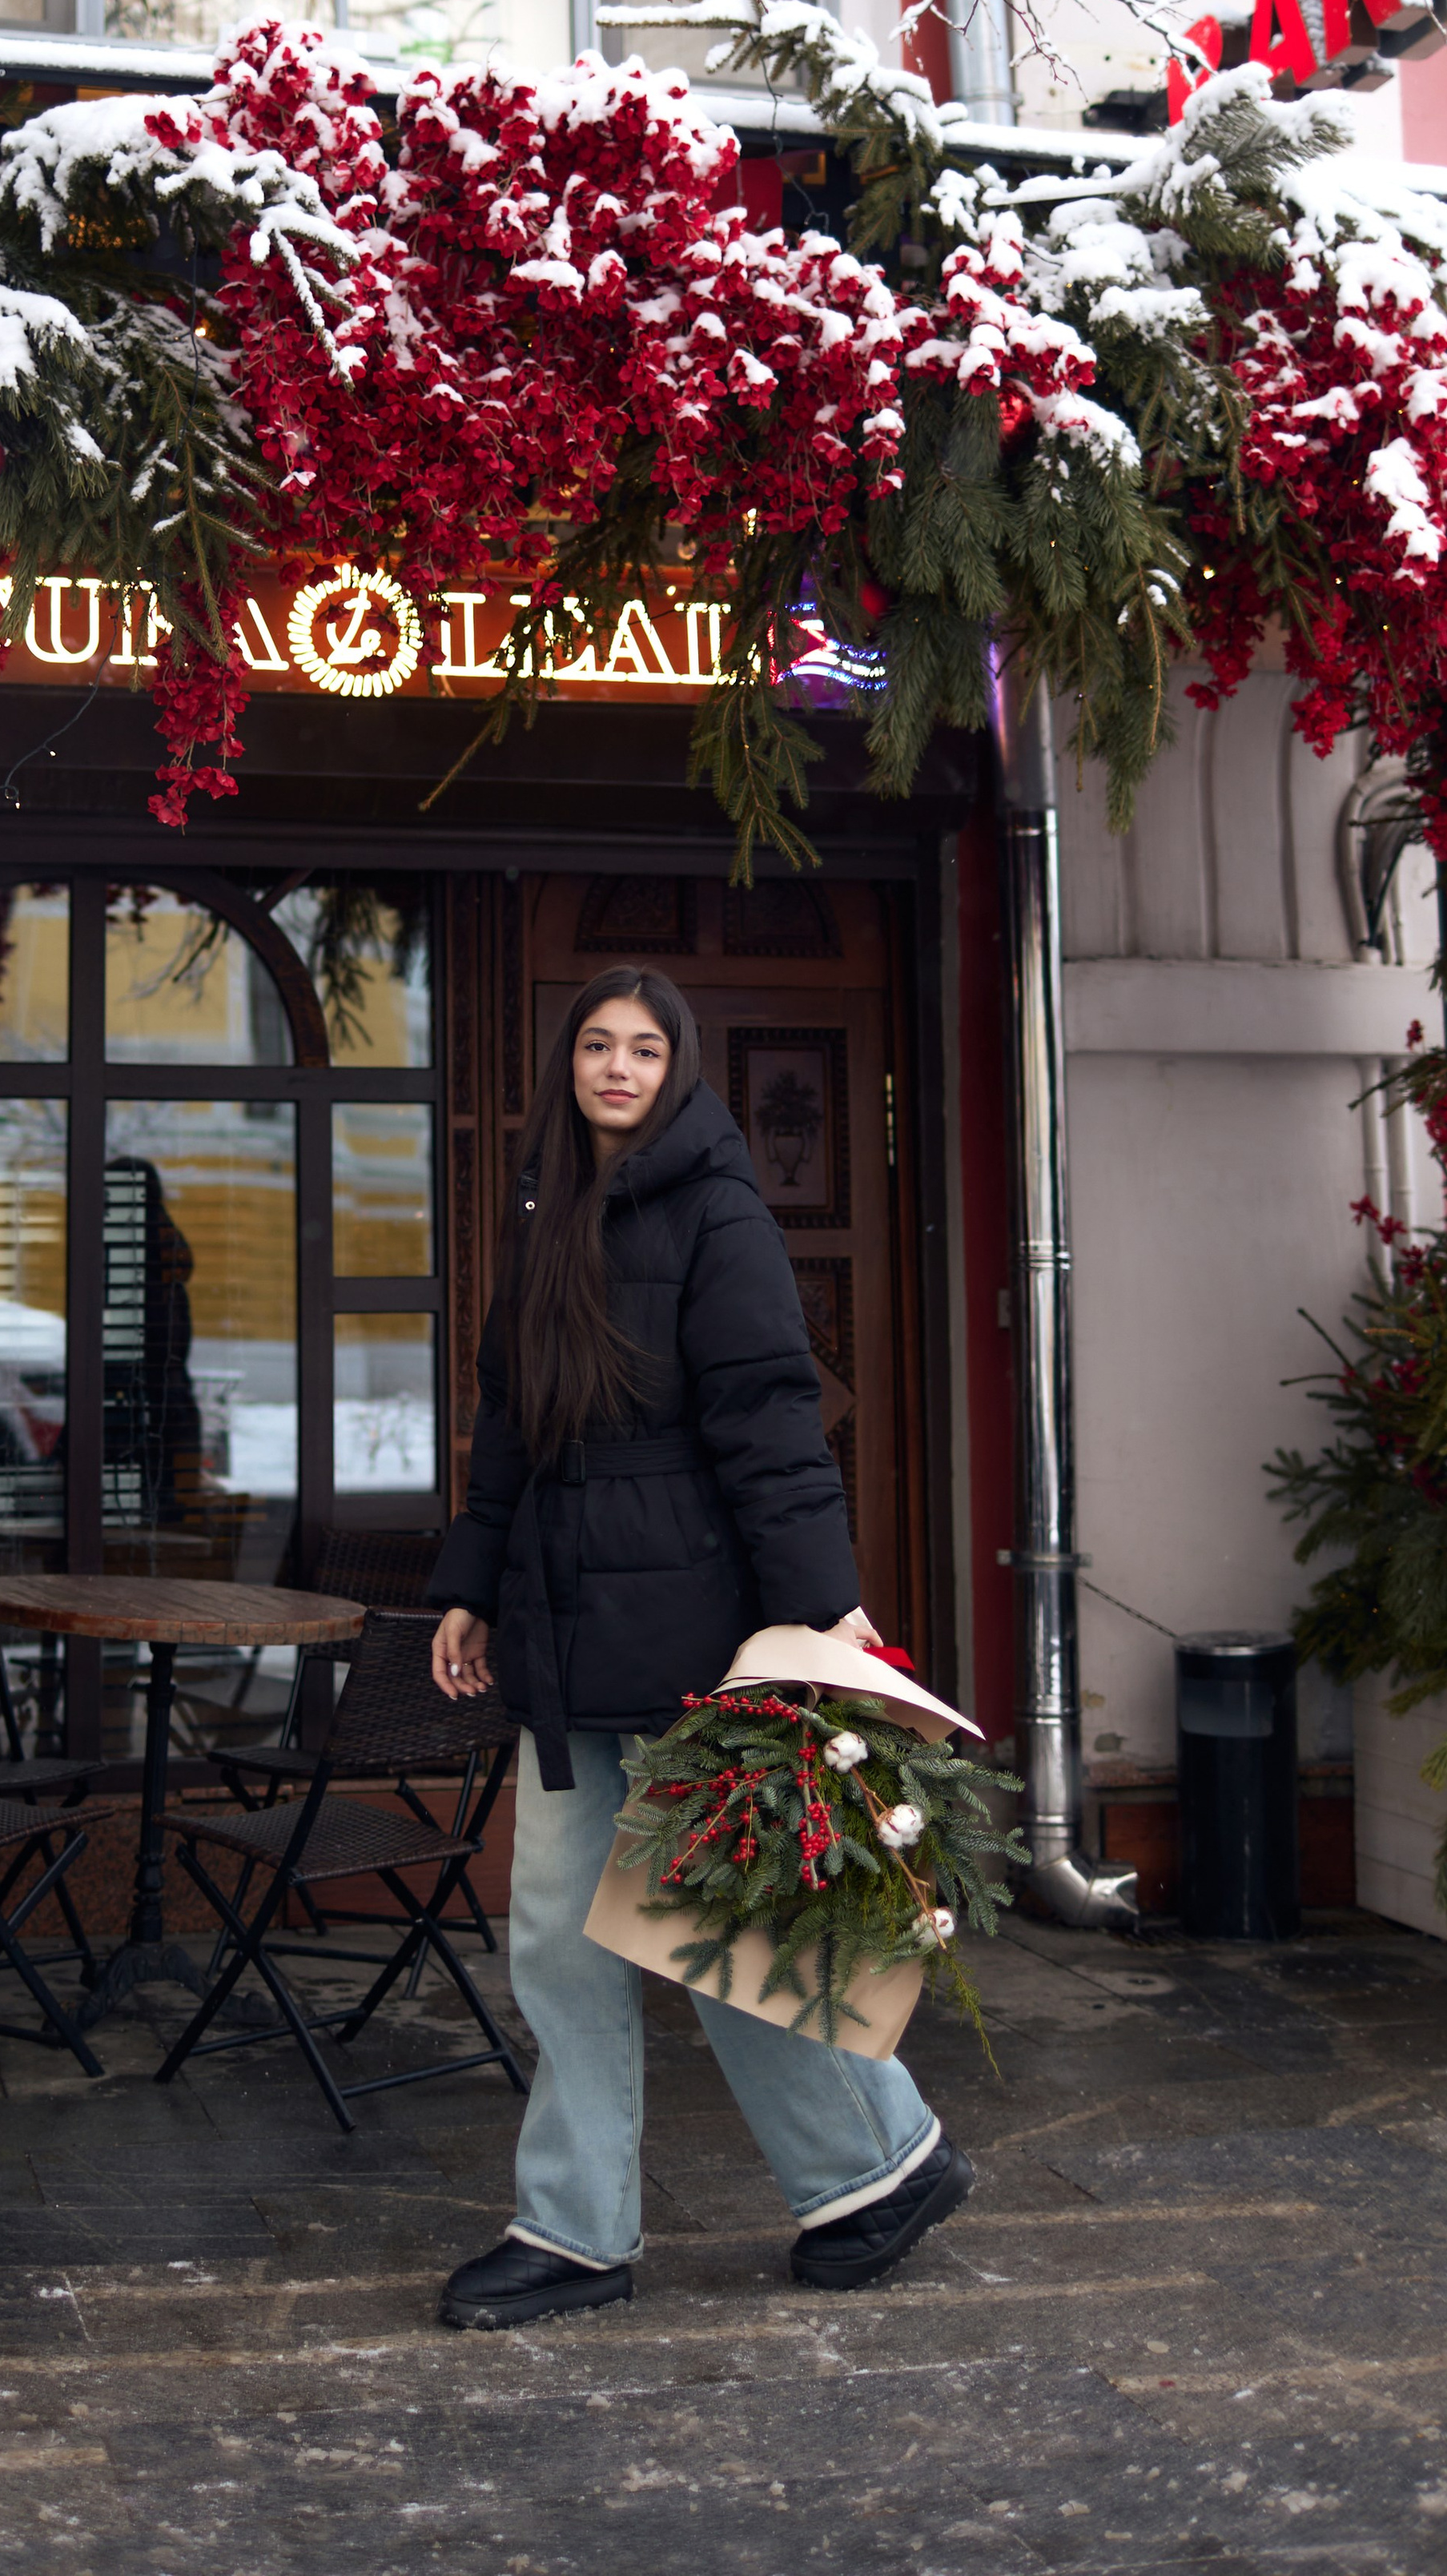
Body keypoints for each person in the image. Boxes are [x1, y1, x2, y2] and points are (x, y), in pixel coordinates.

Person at [426, 965, 971, 2331]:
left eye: (647, 1048)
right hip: (558, 1623)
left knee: (712, 1921)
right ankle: (577, 2232)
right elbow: (507, 1420)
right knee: (560, 1939)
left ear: (682, 1070)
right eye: (597, 1045)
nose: (619, 1068)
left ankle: (876, 2164)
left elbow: (771, 1418)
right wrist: (470, 1585)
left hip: (681, 1624)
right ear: (568, 1064)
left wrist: (824, 1605)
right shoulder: (548, 1207)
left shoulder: (722, 1212)